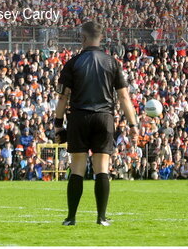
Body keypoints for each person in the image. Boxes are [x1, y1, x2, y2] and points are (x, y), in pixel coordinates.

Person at [54, 21, 139, 227]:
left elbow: (62, 98)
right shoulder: (112, 63)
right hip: (104, 118)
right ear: (101, 38)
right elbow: (124, 98)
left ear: (82, 38)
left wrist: (58, 125)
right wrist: (133, 125)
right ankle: (101, 218)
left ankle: (71, 218)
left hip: (79, 118)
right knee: (102, 168)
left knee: (77, 169)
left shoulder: (72, 63)